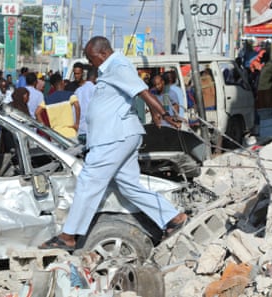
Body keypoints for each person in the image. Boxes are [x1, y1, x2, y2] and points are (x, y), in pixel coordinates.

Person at [39, 36, 187, 251]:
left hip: (114, 137)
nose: (91, 63)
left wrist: (163, 113)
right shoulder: (110, 68)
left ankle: (68, 235)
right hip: (118, 135)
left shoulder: (117, 65)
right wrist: (156, 112)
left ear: (102, 54)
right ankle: (174, 218)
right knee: (129, 186)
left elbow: (140, 90)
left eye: (91, 58)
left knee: (89, 181)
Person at [35, 72, 80, 139]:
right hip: (70, 133)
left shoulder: (47, 99)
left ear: (52, 86)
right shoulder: (69, 95)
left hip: (55, 135)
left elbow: (37, 112)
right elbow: (77, 105)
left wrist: (45, 128)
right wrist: (77, 124)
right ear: (62, 82)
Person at [74, 67, 97, 144]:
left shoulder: (77, 91)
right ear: (96, 78)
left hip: (79, 130)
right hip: (91, 131)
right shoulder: (95, 89)